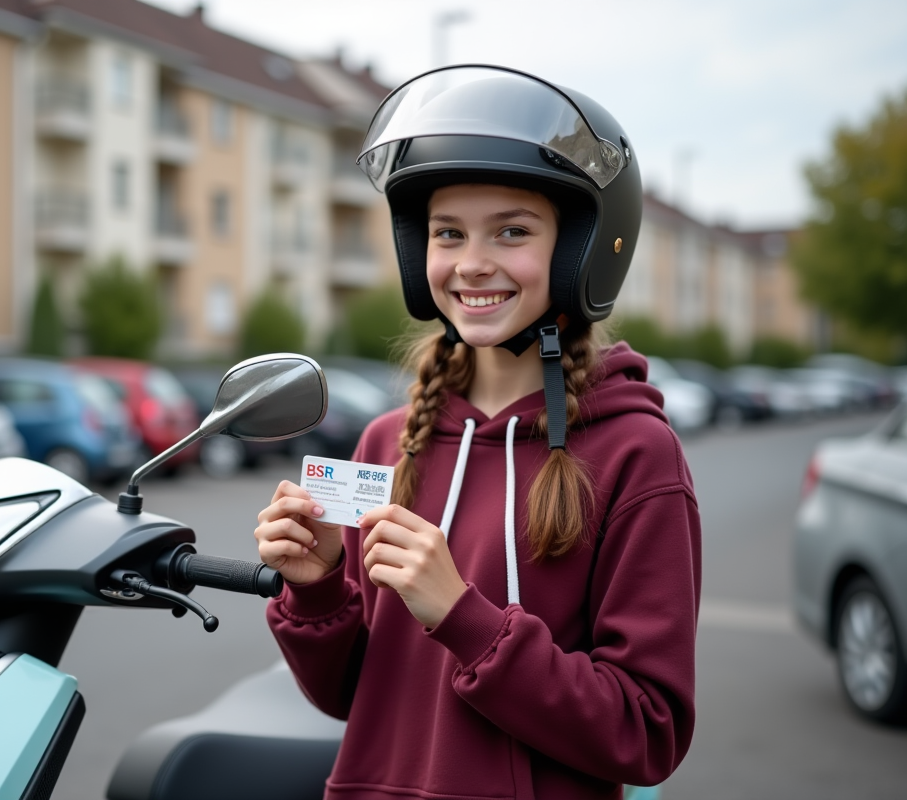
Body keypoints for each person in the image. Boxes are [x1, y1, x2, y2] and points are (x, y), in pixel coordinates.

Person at [254, 65, 700, 800]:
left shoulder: (636, 455)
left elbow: (647, 732)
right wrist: (315, 589)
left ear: (580, 249)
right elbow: (350, 697)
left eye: (512, 231)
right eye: (448, 233)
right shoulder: (387, 444)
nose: (471, 264)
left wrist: (465, 619)